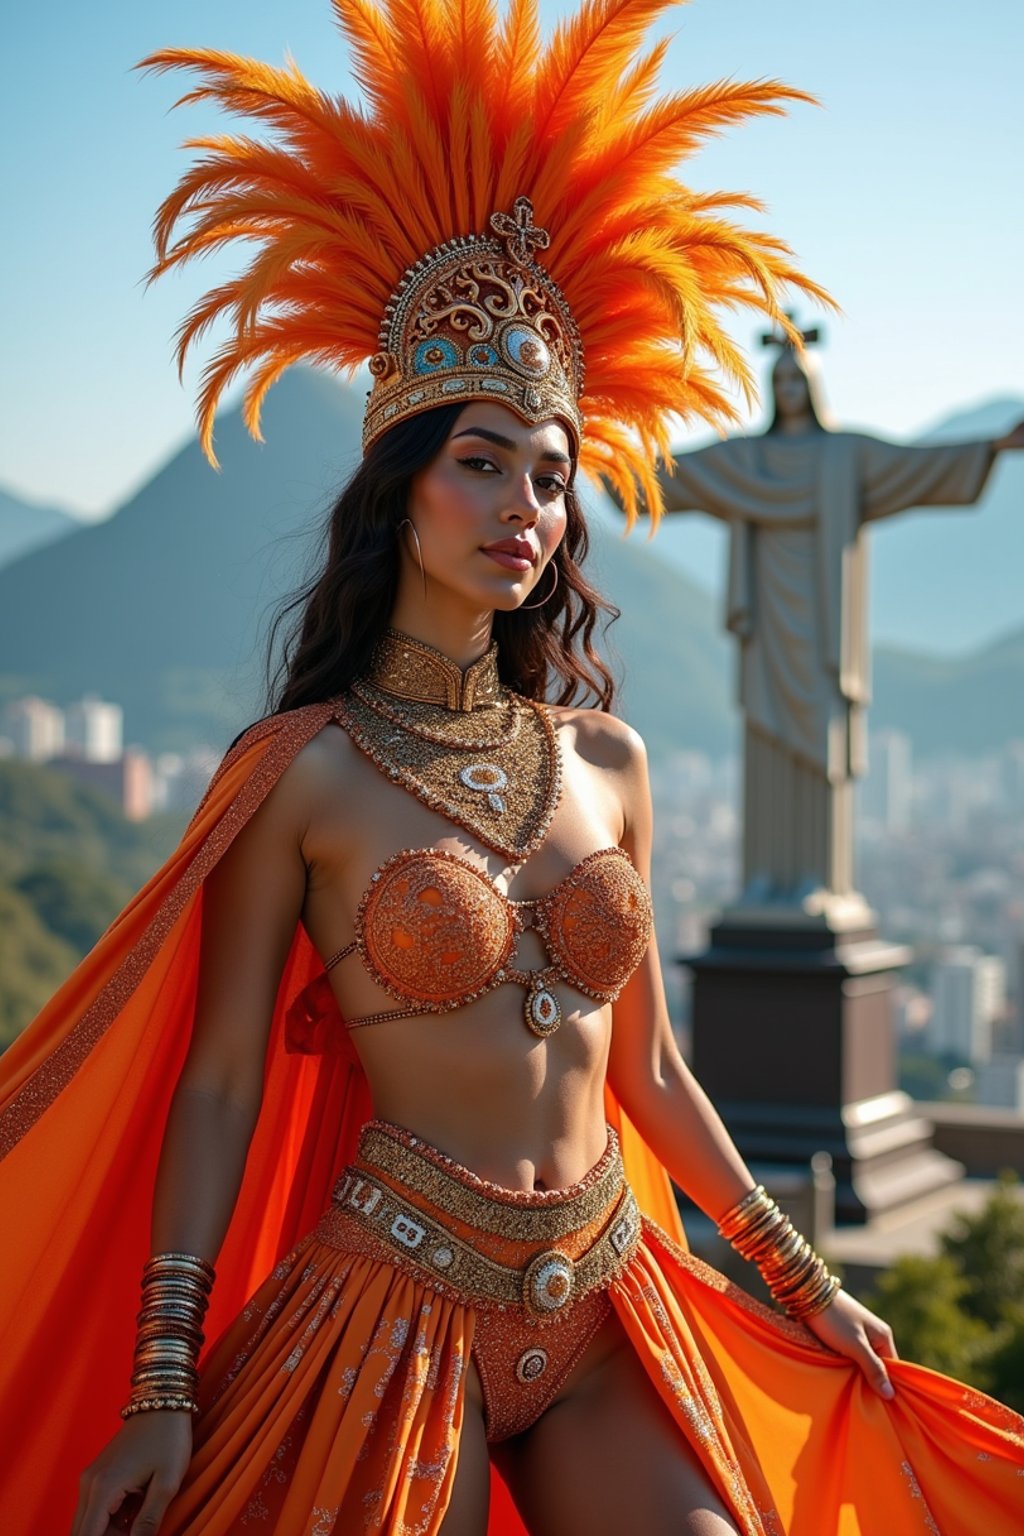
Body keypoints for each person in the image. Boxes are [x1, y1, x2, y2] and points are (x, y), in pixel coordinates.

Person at [0, 3, 1021, 1535]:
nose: (523, 505)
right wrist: (160, 1386)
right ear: (399, 490)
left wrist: (802, 1286)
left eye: (551, 474)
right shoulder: (305, 774)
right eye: (480, 459)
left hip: (611, 1300)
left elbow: (652, 1071)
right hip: (392, 1317)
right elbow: (217, 1087)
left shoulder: (606, 759)